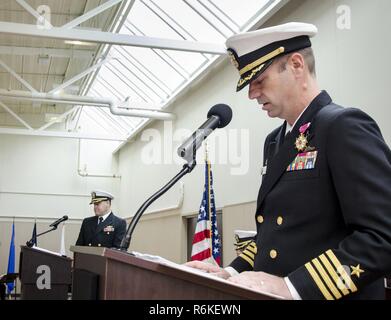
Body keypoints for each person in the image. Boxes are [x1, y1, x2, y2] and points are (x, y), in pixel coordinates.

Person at [186, 22, 391, 300]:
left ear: (296, 65)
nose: (251, 94)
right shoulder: (274, 141)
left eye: (259, 81)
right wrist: (231, 272)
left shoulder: (344, 127)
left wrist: (292, 286)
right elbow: (273, 235)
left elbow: (381, 237)